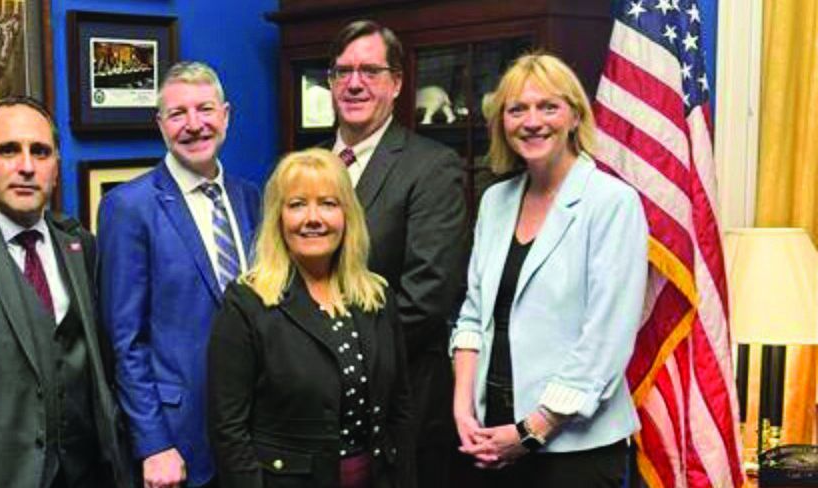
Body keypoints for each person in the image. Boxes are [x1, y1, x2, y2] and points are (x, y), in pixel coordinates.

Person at [450, 53, 648, 487]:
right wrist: (463, 410)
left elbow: (605, 339)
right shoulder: (495, 201)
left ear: (575, 116)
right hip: (492, 437)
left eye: (548, 107)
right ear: (502, 122)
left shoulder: (612, 202)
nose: (532, 121)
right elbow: (473, 315)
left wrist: (531, 431)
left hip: (575, 450)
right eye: (517, 109)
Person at [0, 97, 132, 488]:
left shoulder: (80, 244)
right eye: (8, 150)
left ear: (56, 168)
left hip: (85, 473)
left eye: (41, 152)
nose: (27, 166)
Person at [208, 148, 416, 488]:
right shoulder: (246, 302)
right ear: (278, 218)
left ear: (347, 215)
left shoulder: (377, 296)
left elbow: (400, 410)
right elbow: (228, 430)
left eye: (328, 204)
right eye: (297, 204)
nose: (313, 218)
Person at [99, 61, 261, 488]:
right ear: (160, 124)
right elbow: (125, 340)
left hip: (253, 430)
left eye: (205, 109)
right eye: (177, 114)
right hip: (178, 440)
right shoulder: (129, 207)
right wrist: (153, 444)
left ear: (225, 115)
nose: (194, 124)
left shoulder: (251, 197)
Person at [325, 20, 469, 486]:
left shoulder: (431, 167)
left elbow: (427, 296)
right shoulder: (306, 166)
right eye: (343, 71)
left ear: (397, 82)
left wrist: (337, 363)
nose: (354, 83)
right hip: (313, 409)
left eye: (370, 71)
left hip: (399, 401)